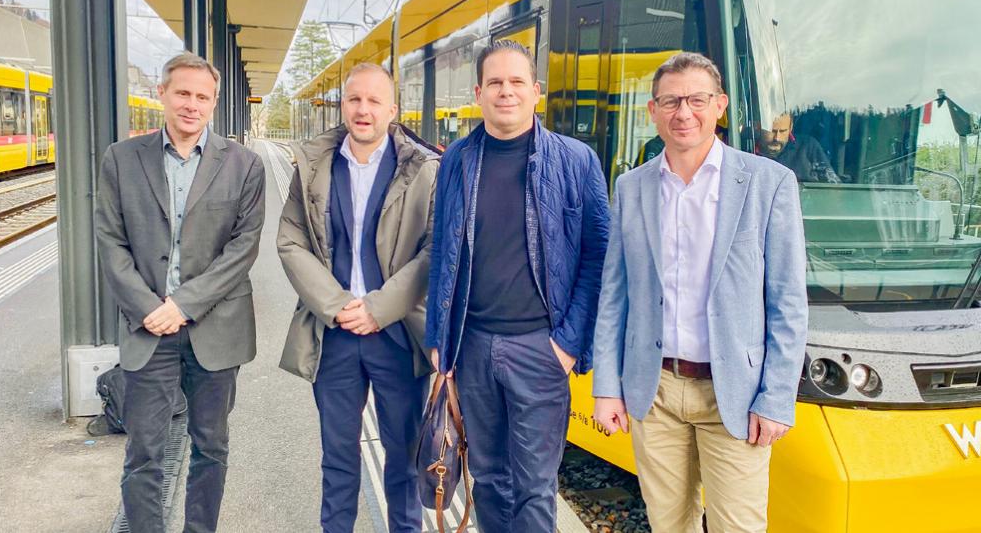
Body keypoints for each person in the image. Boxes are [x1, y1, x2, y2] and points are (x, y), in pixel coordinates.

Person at [592, 52, 808, 532]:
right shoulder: (631, 187)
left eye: (696, 99)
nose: (683, 112)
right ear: (653, 111)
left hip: (734, 391)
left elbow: (788, 302)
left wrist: (776, 398)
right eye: (671, 101)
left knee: (738, 525)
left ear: (720, 106)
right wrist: (607, 387)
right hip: (656, 390)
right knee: (669, 524)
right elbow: (615, 295)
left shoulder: (768, 183)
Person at [424, 40, 610, 532]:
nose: (506, 92)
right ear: (479, 92)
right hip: (474, 345)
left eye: (516, 82)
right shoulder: (458, 160)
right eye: (496, 83)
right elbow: (443, 250)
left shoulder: (576, 160)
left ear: (536, 92)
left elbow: (598, 258)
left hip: (541, 349)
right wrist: (440, 339)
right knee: (487, 478)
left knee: (534, 488)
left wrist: (567, 345)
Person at [95, 51, 266, 533]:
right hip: (148, 328)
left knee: (211, 448)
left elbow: (242, 248)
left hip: (215, 330)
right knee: (144, 450)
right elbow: (110, 240)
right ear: (163, 94)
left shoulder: (245, 165)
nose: (192, 104)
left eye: (202, 97)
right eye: (183, 93)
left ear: (214, 103)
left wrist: (183, 305)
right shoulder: (122, 159)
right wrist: (151, 309)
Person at [277, 63, 439, 533]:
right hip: (334, 335)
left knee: (404, 458)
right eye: (354, 99)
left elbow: (436, 247)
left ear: (392, 109)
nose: (362, 109)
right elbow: (290, 242)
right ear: (342, 105)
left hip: (399, 333)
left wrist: (378, 307)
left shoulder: (425, 170)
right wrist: (337, 305)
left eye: (373, 101)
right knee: (339, 458)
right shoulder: (312, 167)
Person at [756, 112, 840, 182]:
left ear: (791, 127)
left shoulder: (808, 146)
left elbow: (833, 187)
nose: (777, 138)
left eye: (783, 131)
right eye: (772, 131)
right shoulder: (746, 148)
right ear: (758, 126)